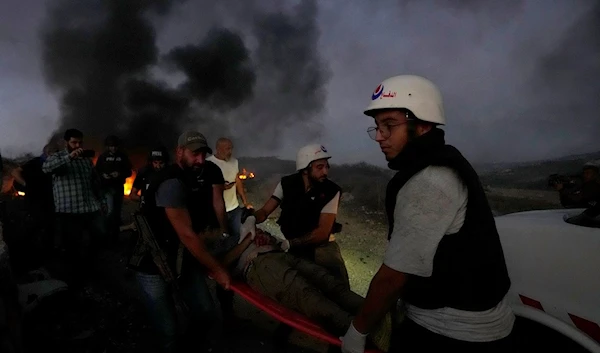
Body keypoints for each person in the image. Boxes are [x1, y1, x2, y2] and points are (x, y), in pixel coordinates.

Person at [341, 75, 515, 353]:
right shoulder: (442, 162)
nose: (380, 138)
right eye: (377, 127)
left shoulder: (430, 181)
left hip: (450, 332)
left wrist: (357, 331)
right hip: (476, 324)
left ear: (422, 126)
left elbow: (393, 277)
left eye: (389, 125)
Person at [128, 131, 231, 353]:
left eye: (204, 155)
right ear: (180, 152)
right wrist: (217, 269)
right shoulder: (170, 182)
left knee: (204, 312)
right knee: (168, 331)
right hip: (152, 265)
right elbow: (186, 233)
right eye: (195, 154)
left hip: (182, 259)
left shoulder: (193, 177)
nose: (200, 160)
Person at [252, 144, 348, 285]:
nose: (325, 172)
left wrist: (290, 244)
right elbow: (265, 211)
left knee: (337, 288)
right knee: (299, 286)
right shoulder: (287, 183)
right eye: (320, 167)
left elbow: (322, 232)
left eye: (327, 166)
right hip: (294, 246)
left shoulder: (331, 191)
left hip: (322, 249)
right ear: (305, 169)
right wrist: (251, 218)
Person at [42, 128, 107, 286]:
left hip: (90, 207)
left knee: (101, 236)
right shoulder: (57, 157)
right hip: (69, 210)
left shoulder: (85, 160)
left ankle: (90, 266)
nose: (77, 145)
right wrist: (69, 157)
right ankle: (74, 278)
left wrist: (102, 201)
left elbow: (94, 181)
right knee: (72, 245)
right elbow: (46, 168)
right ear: (66, 143)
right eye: (74, 142)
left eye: (80, 142)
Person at [206, 137, 253, 324]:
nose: (230, 151)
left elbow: (238, 181)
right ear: (218, 148)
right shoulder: (209, 164)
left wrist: (245, 200)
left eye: (231, 148)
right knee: (223, 246)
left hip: (234, 210)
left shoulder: (234, 162)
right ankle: (220, 278)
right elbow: (206, 189)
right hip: (218, 214)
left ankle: (232, 273)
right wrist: (219, 187)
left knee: (237, 241)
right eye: (226, 148)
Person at [10, 143, 58, 256]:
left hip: (49, 200)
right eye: (55, 153)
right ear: (48, 153)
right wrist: (26, 185)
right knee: (35, 226)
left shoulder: (54, 164)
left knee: (49, 226)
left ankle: (47, 252)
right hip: (35, 201)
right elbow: (15, 172)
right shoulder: (35, 162)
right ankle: (29, 252)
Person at [95, 135, 132, 246]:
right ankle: (105, 236)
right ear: (107, 146)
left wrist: (119, 174)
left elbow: (129, 172)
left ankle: (114, 238)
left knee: (116, 213)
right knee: (109, 212)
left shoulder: (123, 157)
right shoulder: (103, 157)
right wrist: (103, 175)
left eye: (115, 146)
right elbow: (97, 171)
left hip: (119, 188)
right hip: (107, 189)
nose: (114, 148)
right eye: (111, 146)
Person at [556, 160, 600, 226]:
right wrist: (562, 190)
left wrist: (562, 190)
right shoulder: (585, 186)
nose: (585, 175)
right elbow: (568, 203)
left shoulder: (593, 187)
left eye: (588, 173)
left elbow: (577, 199)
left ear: (596, 175)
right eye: (584, 173)